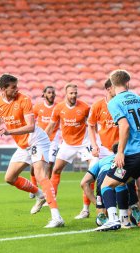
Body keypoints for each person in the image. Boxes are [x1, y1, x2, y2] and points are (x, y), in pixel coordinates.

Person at [0, 74, 64, 228]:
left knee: (41, 175)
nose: (17, 89)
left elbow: (31, 126)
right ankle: (39, 194)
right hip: (23, 144)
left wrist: (10, 132)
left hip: (37, 139)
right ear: (3, 89)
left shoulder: (24, 99)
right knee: (10, 178)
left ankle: (57, 217)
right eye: (13, 87)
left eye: (17, 86)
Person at [94, 69, 140, 232]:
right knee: (122, 182)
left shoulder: (114, 102)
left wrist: (120, 152)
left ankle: (112, 219)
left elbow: (125, 126)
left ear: (112, 85)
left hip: (133, 154)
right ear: (128, 83)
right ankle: (127, 218)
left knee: (106, 183)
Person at [44, 83, 93, 214]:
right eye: (71, 93)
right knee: (56, 169)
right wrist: (42, 140)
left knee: (92, 172)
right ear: (66, 94)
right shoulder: (59, 108)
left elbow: (93, 123)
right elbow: (51, 125)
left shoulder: (85, 107)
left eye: (75, 93)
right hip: (67, 144)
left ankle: (85, 209)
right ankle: (51, 199)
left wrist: (97, 140)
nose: (74, 95)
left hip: (84, 142)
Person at [80, 142, 140, 229]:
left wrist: (97, 203)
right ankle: (131, 214)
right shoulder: (129, 160)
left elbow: (83, 183)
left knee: (103, 211)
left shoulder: (103, 160)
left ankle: (102, 216)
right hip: (123, 177)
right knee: (125, 183)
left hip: (103, 178)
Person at [29, 86, 60, 199]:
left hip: (53, 139)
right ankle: (33, 185)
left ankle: (47, 189)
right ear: (44, 94)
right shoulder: (38, 107)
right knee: (34, 165)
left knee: (50, 164)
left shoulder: (58, 107)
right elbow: (31, 122)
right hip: (39, 140)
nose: (52, 95)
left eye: (53, 93)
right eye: (49, 93)